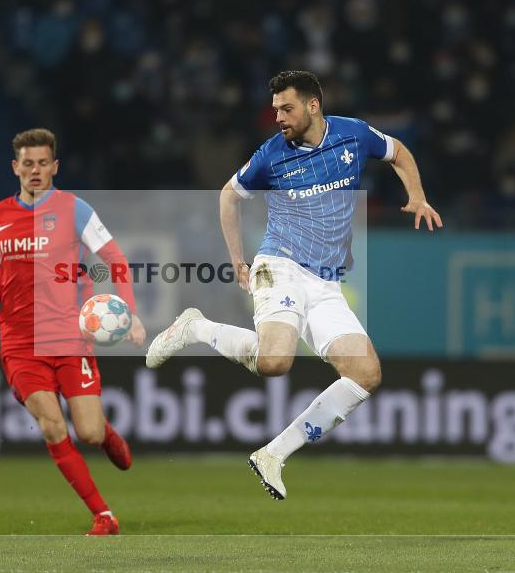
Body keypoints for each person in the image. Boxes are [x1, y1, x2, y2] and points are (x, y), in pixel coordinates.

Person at [146, 71, 442, 500]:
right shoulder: (271, 154)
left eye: (286, 108)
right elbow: (229, 195)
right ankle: (195, 328)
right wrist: (237, 260)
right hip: (279, 264)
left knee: (366, 373)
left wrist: (416, 195)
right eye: (275, 110)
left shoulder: (353, 134)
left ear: (313, 105)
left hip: (326, 282)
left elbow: (398, 152)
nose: (278, 117)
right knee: (275, 363)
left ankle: (273, 454)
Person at [0, 128, 146, 535]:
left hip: (70, 337)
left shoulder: (74, 209)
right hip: (19, 341)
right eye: (27, 163)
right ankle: (103, 515)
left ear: (55, 167)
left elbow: (114, 258)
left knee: (86, 431)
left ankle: (104, 435)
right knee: (53, 426)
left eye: (42, 163)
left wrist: (131, 314)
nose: (35, 171)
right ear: (16, 167)